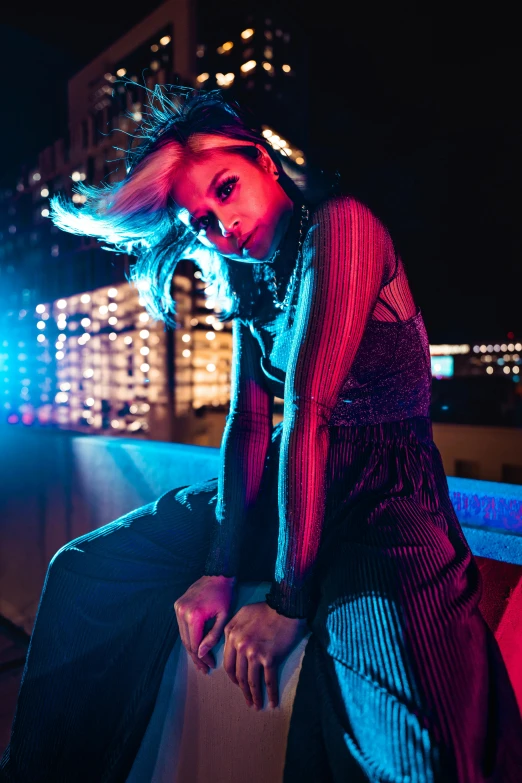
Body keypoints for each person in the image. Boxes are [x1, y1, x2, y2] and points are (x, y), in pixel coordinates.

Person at [1, 83, 521, 783]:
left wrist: (286, 601)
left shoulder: (345, 225)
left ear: (265, 162)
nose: (221, 224)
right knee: (84, 571)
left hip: (384, 499)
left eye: (225, 188)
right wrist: (221, 563)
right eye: (199, 220)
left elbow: (310, 409)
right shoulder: (246, 272)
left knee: (404, 736)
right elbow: (251, 423)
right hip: (284, 480)